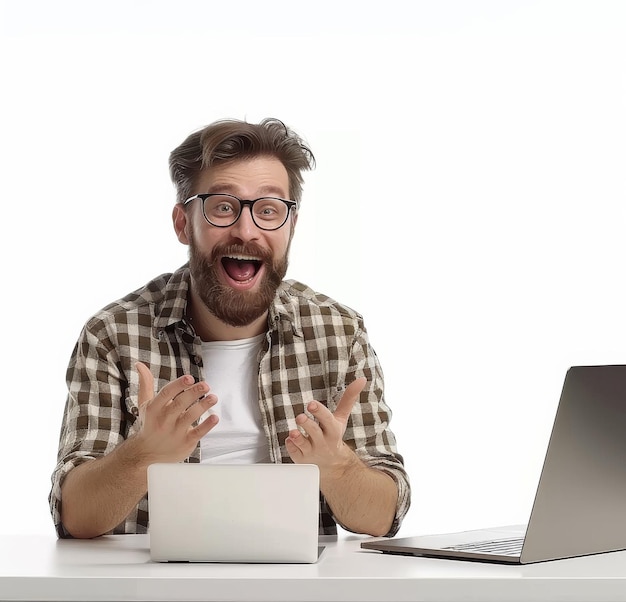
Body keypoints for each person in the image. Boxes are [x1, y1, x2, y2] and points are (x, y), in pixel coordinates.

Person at [49, 118, 411, 540]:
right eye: (223, 207)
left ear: (291, 226)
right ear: (184, 223)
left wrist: (337, 465)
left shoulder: (338, 333)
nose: (246, 230)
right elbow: (73, 517)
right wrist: (143, 454)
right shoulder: (112, 334)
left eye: (269, 210)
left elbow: (385, 516)